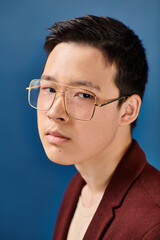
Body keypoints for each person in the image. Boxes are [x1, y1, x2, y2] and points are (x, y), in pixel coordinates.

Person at [26, 15, 160, 239]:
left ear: (128, 110)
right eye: (49, 89)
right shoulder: (79, 186)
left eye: (84, 95)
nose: (54, 112)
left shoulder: (152, 224)